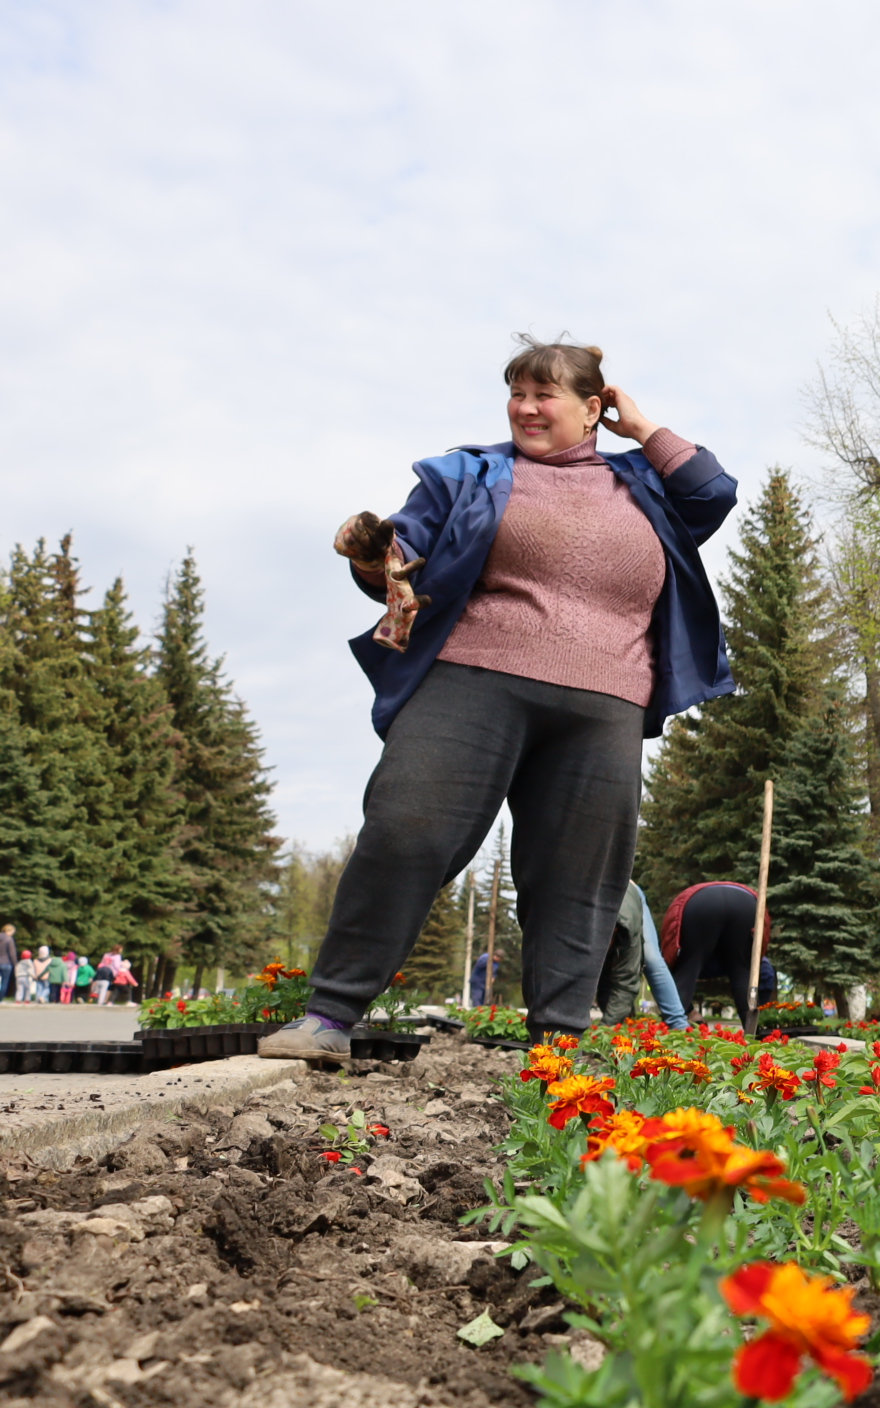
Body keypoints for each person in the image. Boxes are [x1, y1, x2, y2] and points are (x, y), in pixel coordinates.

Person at [260, 338, 737, 1064]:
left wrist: (641, 428)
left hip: (605, 702)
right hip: (472, 677)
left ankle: (557, 1051)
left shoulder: (644, 485)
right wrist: (370, 553)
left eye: (545, 394)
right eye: (516, 392)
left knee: (580, 877)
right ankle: (329, 1017)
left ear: (591, 408)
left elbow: (713, 489)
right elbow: (399, 564)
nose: (525, 407)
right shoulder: (471, 475)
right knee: (405, 830)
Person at [658, 881, 777, 1037]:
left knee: (687, 971)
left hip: (699, 904)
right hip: (746, 904)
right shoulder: (745, 960)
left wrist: (687, 1011)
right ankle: (757, 1036)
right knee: (742, 974)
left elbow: (668, 974)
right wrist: (762, 1010)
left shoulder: (696, 957)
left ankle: (671, 1036)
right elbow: (764, 973)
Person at [597, 880, 688, 1030]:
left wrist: (603, 1030)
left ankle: (678, 1024)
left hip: (627, 895)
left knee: (651, 958)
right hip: (585, 897)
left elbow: (626, 980)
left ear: (616, 933)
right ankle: (623, 1019)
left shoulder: (627, 927)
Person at [0, 924, 15, 1002]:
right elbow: (12, 953)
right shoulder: (9, 939)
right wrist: (15, 964)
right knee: (4, 982)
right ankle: (0, 999)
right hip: (6, 963)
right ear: (8, 931)